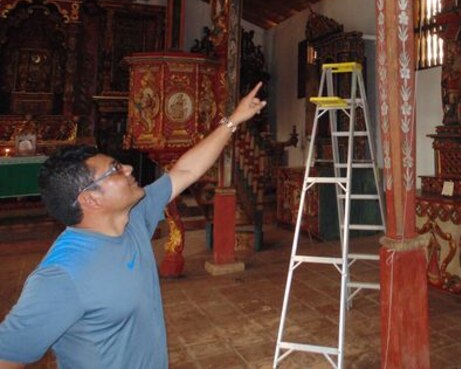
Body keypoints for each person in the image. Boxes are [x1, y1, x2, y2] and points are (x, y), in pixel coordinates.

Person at [0, 82, 266, 369]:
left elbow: (185, 171)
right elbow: (8, 356)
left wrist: (232, 121)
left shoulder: (134, 216)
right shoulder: (62, 276)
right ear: (89, 199)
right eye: (115, 170)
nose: (127, 169)